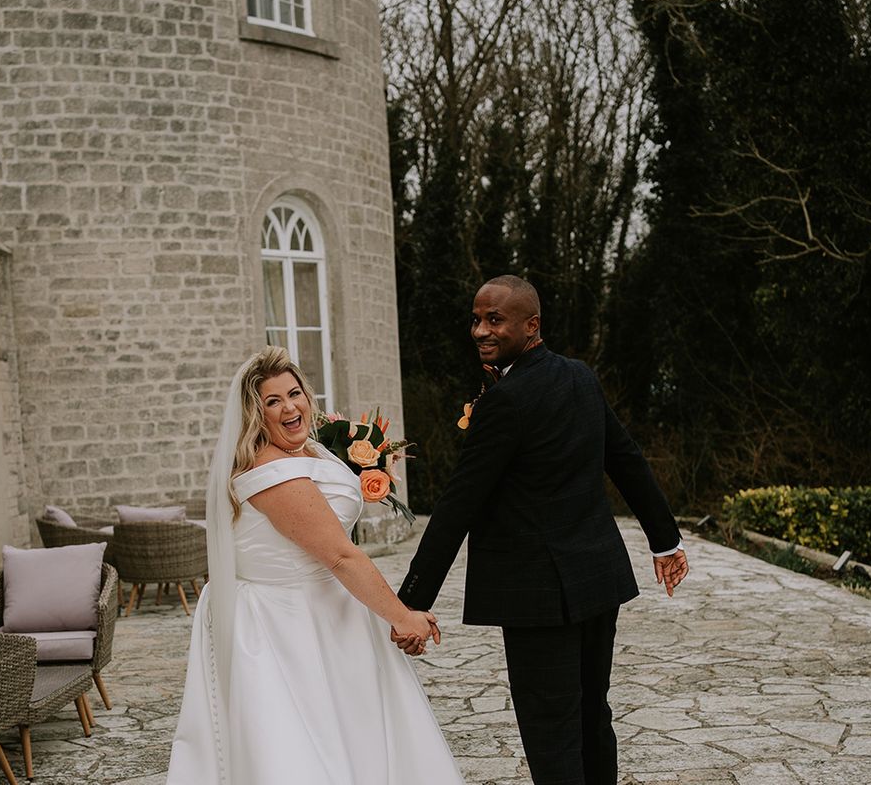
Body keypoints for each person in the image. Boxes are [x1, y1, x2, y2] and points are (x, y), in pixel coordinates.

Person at [394, 275, 688, 785]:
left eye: (495, 320)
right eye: (477, 319)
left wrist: (412, 600)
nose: (481, 330)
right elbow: (627, 460)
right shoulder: (579, 377)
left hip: (538, 596)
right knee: (592, 714)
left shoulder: (504, 401)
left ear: (532, 326)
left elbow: (458, 506)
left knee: (551, 729)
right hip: (597, 579)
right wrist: (665, 540)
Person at [166, 346, 465, 785]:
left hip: (331, 610)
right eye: (272, 401)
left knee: (352, 732)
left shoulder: (309, 451)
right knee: (300, 739)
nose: (289, 407)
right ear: (255, 415)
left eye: (294, 393)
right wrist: (403, 617)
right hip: (282, 621)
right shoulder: (271, 473)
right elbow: (341, 554)